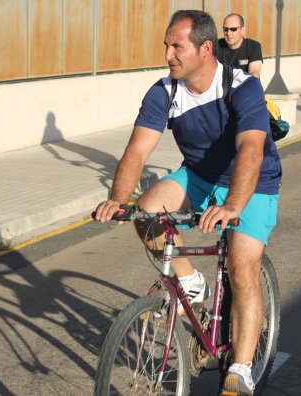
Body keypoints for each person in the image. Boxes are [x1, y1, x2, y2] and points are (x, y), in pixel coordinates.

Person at [94, 9, 281, 396]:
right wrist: (117, 199)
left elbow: (250, 150)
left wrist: (232, 205)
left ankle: (243, 368)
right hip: (198, 174)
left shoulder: (241, 87)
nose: (168, 54)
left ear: (205, 48)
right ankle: (190, 282)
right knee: (145, 212)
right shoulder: (165, 91)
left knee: (241, 266)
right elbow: (137, 151)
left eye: (176, 46)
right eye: (166, 45)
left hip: (252, 181)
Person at [216, 13, 263, 78]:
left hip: (247, 86)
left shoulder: (253, 47)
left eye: (233, 29)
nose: (229, 33)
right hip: (223, 87)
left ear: (242, 30)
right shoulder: (216, 46)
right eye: (226, 29)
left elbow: (254, 75)